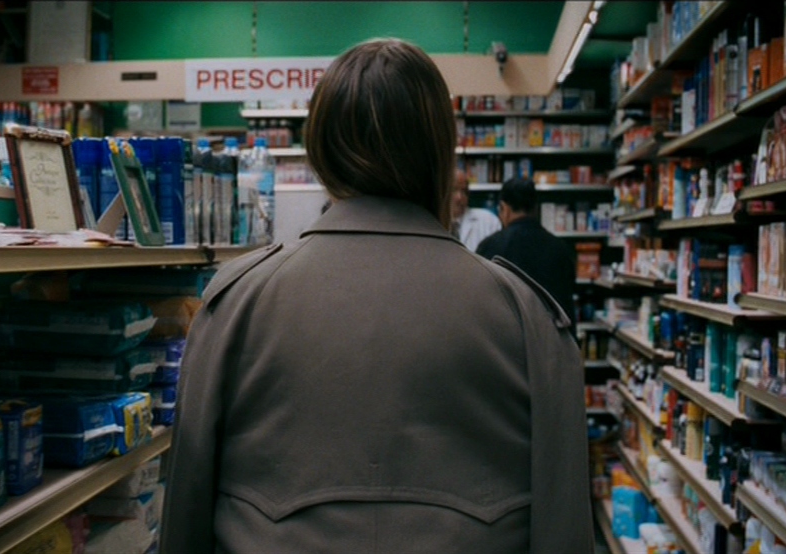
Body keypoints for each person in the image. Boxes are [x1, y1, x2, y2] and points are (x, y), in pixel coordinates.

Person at [161, 38, 592, 554]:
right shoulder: (529, 320)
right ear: (441, 153)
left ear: (321, 149)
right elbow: (565, 530)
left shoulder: (235, 305)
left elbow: (184, 520)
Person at [477, 177, 578, 332]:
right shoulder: (560, 248)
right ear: (536, 209)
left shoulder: (490, 247)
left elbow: (482, 301)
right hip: (551, 339)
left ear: (504, 208)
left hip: (507, 339)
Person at [452, 168, 501, 251]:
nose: (459, 197)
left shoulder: (489, 221)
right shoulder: (431, 223)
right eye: (453, 190)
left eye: (464, 191)